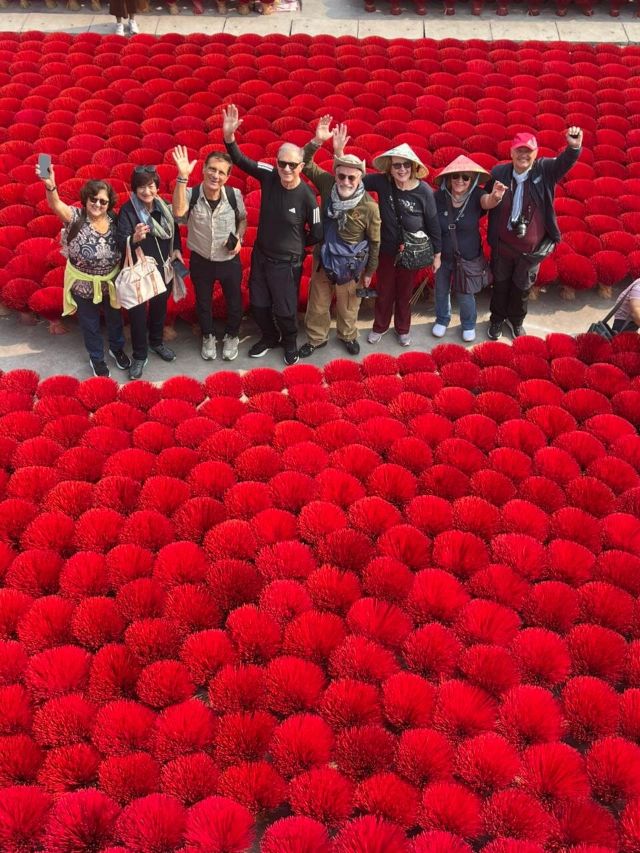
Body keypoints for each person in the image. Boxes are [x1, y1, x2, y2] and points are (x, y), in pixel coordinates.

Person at [222, 104, 323, 366]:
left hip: (287, 264)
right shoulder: (269, 176)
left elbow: (317, 231)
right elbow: (241, 161)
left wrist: (297, 247)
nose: (286, 169)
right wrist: (230, 138)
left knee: (286, 310)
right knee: (258, 304)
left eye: (292, 165)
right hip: (262, 257)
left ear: (301, 166)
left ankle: (290, 342)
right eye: (282, 163)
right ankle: (269, 337)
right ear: (276, 162)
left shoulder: (308, 197)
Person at [335, 132, 441, 347]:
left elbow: (433, 222)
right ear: (390, 168)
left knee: (404, 293)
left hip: (411, 251)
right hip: (386, 249)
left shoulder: (424, 191)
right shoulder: (383, 183)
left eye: (405, 165)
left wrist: (437, 254)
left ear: (412, 167)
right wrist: (339, 153)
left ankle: (403, 329)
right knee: (384, 292)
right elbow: (353, 176)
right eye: (396, 166)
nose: (401, 169)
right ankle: (380, 327)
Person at [486, 127, 583, 340]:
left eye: (528, 151)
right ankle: (496, 320)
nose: (523, 155)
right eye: (519, 150)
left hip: (530, 251)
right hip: (503, 246)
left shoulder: (545, 171)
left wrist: (573, 147)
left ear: (536, 153)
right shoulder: (498, 173)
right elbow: (484, 200)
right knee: (500, 285)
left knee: (522, 289)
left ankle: (516, 321)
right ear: (511, 152)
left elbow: (564, 162)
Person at [36, 162, 129, 378]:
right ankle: (97, 358)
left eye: (103, 201)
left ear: (109, 203)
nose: (97, 204)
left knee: (115, 319)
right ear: (86, 199)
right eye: (93, 199)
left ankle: (117, 350)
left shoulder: (114, 219)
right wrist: (50, 185)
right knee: (90, 324)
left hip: (111, 282)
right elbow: (55, 204)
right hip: (83, 284)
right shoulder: (75, 217)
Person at [299, 116, 381, 358]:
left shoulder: (369, 206)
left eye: (351, 177)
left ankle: (347, 335)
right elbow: (304, 163)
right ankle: (316, 338)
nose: (345, 181)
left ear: (359, 178)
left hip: (351, 263)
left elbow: (375, 241)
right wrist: (317, 141)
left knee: (348, 306)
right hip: (324, 257)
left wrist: (369, 272)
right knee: (318, 303)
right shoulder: (326, 184)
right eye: (341, 175)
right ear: (335, 175)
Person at [171, 146, 247, 363]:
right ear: (204, 169)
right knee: (203, 302)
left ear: (228, 176)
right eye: (212, 169)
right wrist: (182, 177)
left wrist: (239, 239)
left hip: (229, 260)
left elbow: (243, 219)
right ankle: (208, 336)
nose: (216, 175)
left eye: (222, 172)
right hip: (201, 260)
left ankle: (232, 335)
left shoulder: (234, 195)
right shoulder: (190, 194)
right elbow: (178, 212)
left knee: (234, 302)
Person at [116, 166, 182, 380]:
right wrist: (133, 238)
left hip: (164, 267)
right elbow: (119, 240)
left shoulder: (164, 207)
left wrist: (177, 250)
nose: (146, 191)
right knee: (137, 316)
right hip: (140, 272)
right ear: (134, 189)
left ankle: (156, 343)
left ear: (157, 187)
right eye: (141, 186)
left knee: (159, 309)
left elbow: (175, 231)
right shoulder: (128, 210)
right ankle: (139, 355)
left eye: (150, 185)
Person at [433, 155, 507, 343]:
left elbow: (487, 202)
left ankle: (468, 324)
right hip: (442, 256)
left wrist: (496, 196)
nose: (460, 181)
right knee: (441, 290)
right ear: (448, 178)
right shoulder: (438, 197)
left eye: (465, 177)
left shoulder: (476, 195)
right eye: (456, 176)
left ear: (472, 180)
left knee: (465, 293)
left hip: (467, 258)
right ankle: (442, 319)